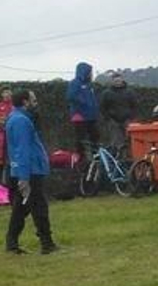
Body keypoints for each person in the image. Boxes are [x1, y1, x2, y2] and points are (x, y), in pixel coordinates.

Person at [6, 90, 56, 255]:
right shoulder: (21, 121)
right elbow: (23, 150)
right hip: (30, 171)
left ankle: (11, 243)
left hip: (25, 170)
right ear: (25, 102)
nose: (36, 103)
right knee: (39, 207)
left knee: (21, 208)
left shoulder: (15, 118)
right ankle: (47, 243)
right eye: (33, 100)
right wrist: (24, 177)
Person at [67, 61, 100, 161]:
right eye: (90, 72)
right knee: (81, 139)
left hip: (91, 116)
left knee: (95, 136)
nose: (91, 74)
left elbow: (92, 99)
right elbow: (71, 96)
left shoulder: (89, 85)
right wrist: (84, 102)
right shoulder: (75, 83)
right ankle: (81, 158)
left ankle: (96, 155)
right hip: (80, 116)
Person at [99, 73, 137, 155]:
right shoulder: (106, 93)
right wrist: (108, 118)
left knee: (130, 140)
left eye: (119, 80)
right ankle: (118, 159)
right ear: (112, 81)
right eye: (115, 81)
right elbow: (102, 107)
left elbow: (134, 105)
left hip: (127, 120)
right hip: (113, 121)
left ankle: (130, 157)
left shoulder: (130, 92)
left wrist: (132, 117)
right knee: (116, 142)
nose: (117, 82)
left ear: (122, 80)